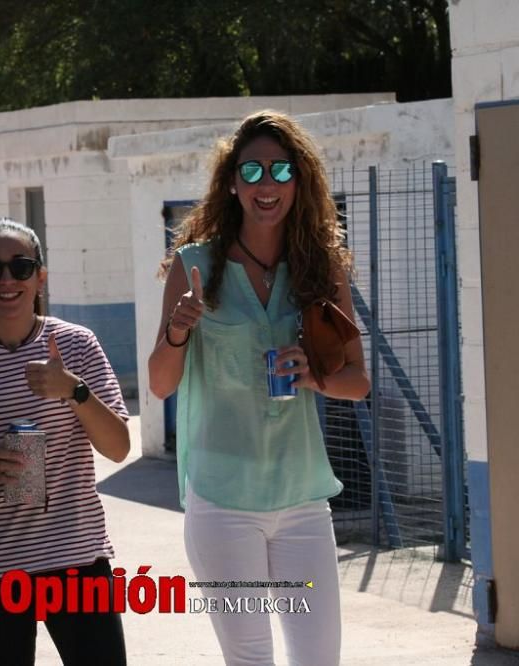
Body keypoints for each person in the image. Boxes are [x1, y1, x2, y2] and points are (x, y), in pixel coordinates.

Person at [148, 110, 370, 666]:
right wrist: (179, 328)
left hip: (302, 499)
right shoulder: (195, 266)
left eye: (279, 170)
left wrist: (315, 377)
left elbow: (358, 382)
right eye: (250, 172)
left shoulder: (321, 268)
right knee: (250, 659)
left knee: (319, 659)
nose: (265, 185)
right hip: (223, 500)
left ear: (300, 179)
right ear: (230, 182)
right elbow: (158, 383)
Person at [0, 218, 131, 665]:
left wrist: (74, 391)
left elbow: (118, 446)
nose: (7, 280)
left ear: (40, 275)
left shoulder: (78, 345)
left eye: (21, 267)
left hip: (77, 556)